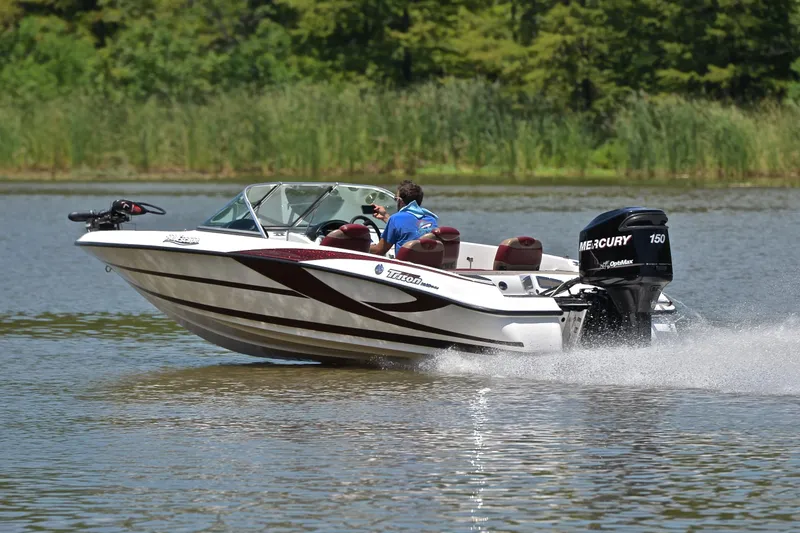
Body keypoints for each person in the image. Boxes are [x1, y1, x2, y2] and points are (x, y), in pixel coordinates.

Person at [370, 180, 438, 256]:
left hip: (405, 266)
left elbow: (379, 251)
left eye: (396, 199)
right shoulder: (431, 219)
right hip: (427, 265)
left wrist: (362, 244)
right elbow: (409, 228)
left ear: (400, 201)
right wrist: (385, 216)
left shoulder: (395, 219)